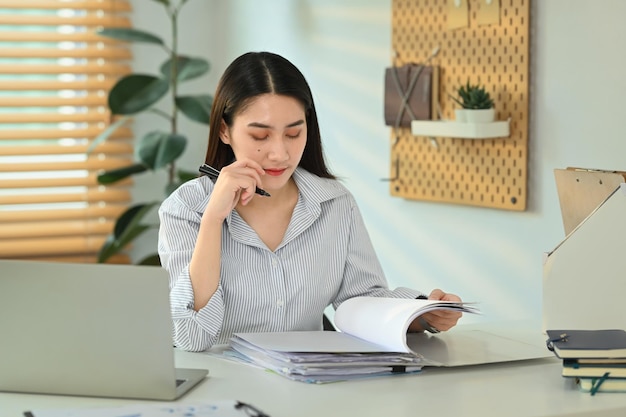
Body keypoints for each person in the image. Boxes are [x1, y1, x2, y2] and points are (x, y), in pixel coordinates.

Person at [158, 51, 462, 352]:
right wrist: (213, 218)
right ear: (225, 130)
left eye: (293, 133)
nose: (279, 153)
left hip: (310, 385)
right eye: (260, 137)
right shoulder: (185, 210)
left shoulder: (334, 203)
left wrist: (422, 313)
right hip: (222, 389)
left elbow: (362, 300)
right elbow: (190, 336)